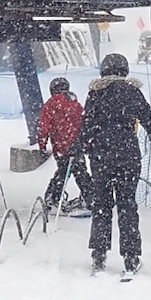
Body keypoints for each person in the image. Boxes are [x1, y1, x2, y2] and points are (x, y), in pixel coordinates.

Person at [73, 53, 151, 276]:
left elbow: (88, 123)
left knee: (102, 204)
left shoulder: (96, 94)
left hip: (102, 156)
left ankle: (99, 255)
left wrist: (79, 147)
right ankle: (131, 257)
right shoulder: (133, 92)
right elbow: (147, 116)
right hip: (128, 155)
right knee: (127, 204)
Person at [38, 76, 91, 209]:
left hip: (61, 146)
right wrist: (86, 144)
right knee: (80, 172)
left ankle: (52, 198)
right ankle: (91, 198)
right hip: (77, 145)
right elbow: (85, 124)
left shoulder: (50, 104)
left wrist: (42, 146)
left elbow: (43, 127)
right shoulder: (76, 104)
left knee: (62, 172)